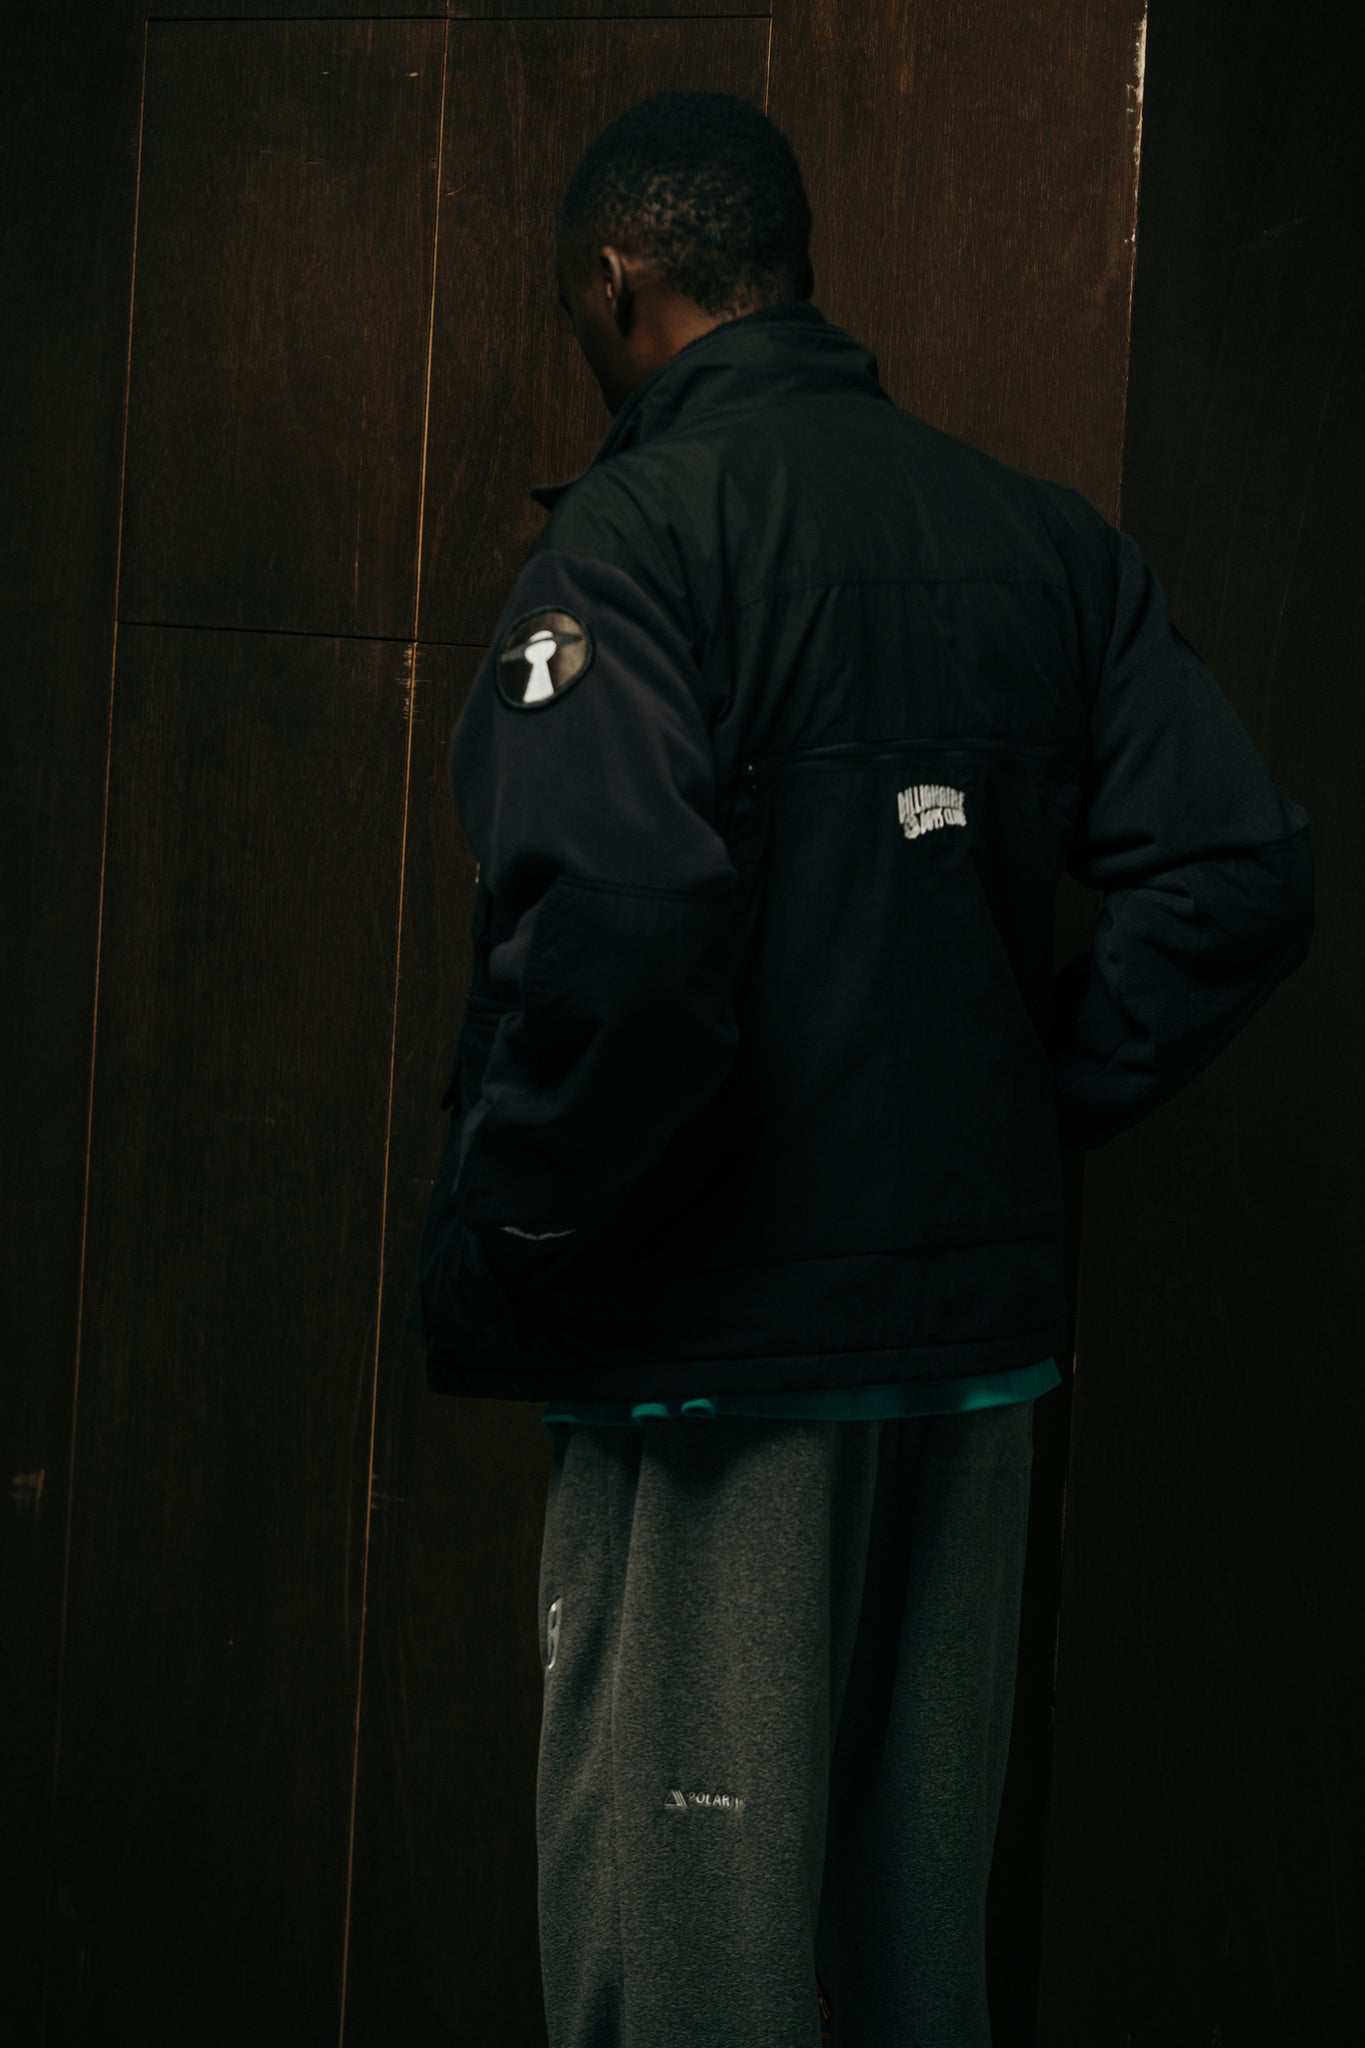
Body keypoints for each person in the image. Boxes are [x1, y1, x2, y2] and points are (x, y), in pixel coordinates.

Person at [403, 89, 1315, 2048]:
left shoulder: (639, 538)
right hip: (965, 1361)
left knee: (687, 1965)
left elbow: (618, 938)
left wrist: (529, 1230)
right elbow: (1236, 874)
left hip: (719, 1355)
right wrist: (1008, 1100)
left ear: (616, 284)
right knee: (912, 1964)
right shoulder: (1041, 540)